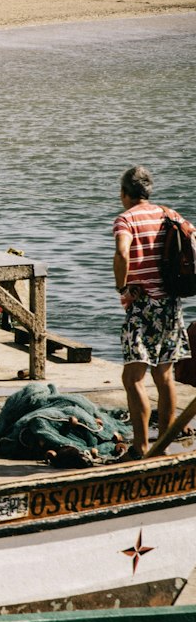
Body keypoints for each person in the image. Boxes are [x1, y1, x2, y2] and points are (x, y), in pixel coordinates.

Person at [113, 165, 190, 458]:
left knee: (133, 378)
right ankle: (163, 445)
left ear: (124, 194)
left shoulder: (125, 219)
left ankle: (141, 446)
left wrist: (123, 287)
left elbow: (122, 252)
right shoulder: (170, 214)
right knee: (165, 375)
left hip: (143, 305)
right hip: (171, 304)